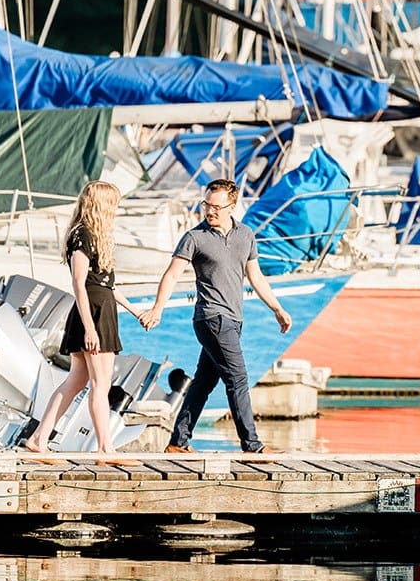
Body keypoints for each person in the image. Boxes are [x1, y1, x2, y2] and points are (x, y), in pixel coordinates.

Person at [137, 178, 291, 453]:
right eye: (207, 204)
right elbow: (172, 274)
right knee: (238, 378)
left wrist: (277, 308)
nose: (210, 211)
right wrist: (157, 308)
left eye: (217, 207)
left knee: (204, 383)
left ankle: (178, 441)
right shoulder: (195, 238)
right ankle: (252, 445)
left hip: (234, 320)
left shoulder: (245, 235)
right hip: (211, 318)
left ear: (232, 206)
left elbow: (255, 276)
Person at [26, 180, 136, 454]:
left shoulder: (95, 236)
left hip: (101, 311)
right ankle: (104, 447)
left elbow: (107, 286)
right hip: (93, 316)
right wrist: (89, 328)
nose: (115, 209)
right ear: (101, 205)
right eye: (112, 204)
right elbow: (79, 283)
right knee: (101, 384)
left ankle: (39, 438)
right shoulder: (83, 235)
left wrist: (137, 311)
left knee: (76, 381)